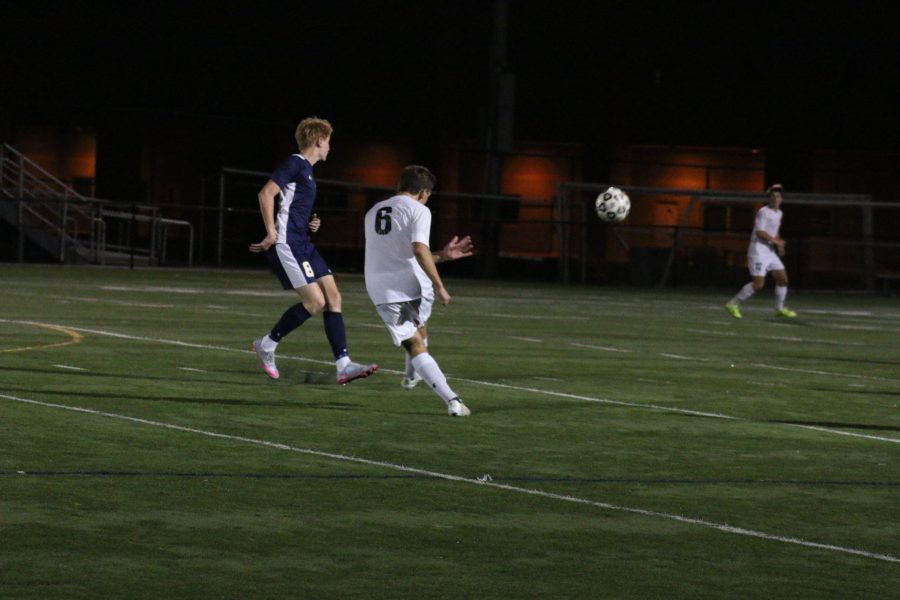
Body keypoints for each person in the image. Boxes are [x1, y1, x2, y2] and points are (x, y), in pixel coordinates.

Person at [249, 117, 378, 384]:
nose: (330, 147)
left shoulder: (307, 170)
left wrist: (311, 222)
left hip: (304, 244)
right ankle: (267, 344)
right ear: (319, 141)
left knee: (333, 297)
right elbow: (266, 194)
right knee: (315, 302)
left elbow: (291, 204)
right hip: (288, 245)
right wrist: (272, 232)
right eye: (329, 142)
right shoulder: (295, 163)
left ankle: (343, 365)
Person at [364, 165, 475, 416]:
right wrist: (440, 285)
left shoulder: (372, 212)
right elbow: (418, 250)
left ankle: (434, 389)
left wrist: (443, 256)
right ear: (424, 191)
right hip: (413, 286)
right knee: (418, 336)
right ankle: (442, 394)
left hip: (382, 289)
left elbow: (406, 254)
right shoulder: (419, 210)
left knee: (414, 341)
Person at [725, 183, 797, 319]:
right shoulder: (763, 212)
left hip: (769, 252)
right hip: (757, 251)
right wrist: (775, 241)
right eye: (773, 196)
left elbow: (774, 233)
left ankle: (779, 309)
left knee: (783, 279)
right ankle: (733, 304)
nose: (776, 199)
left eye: (778, 196)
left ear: (781, 199)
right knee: (758, 285)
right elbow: (760, 232)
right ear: (769, 199)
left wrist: (779, 245)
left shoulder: (779, 213)